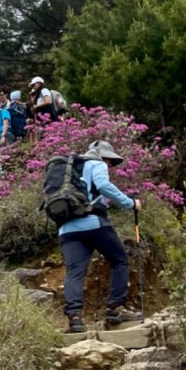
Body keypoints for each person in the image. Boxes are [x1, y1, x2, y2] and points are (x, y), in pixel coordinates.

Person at [59, 140, 143, 333]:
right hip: (93, 222)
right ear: (102, 156)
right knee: (119, 260)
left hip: (66, 228)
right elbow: (103, 185)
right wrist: (130, 203)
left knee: (74, 272)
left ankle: (75, 318)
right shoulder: (96, 164)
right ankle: (115, 309)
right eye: (110, 162)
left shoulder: (68, 170)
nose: (110, 166)